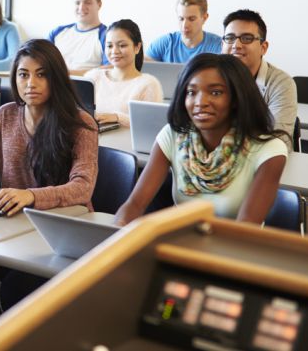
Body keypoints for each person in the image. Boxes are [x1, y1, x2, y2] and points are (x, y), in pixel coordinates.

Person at [0, 39, 98, 321]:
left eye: (41, 74)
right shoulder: (6, 115)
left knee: (16, 287)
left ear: (56, 78)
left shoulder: (80, 123)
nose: (31, 82)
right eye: (23, 74)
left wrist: (31, 195)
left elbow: (83, 187)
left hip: (61, 234)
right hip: (15, 228)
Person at [115, 54, 288, 226]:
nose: (200, 102)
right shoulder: (173, 135)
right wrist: (117, 234)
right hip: (181, 241)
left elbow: (246, 226)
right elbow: (135, 204)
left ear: (236, 98)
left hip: (235, 248)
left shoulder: (268, 149)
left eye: (215, 92)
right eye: (191, 92)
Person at [221, 9, 297, 152]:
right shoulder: (210, 77)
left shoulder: (281, 83)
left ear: (263, 47)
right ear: (222, 44)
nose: (236, 45)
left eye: (247, 38)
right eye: (230, 38)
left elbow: (279, 142)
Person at [85, 19, 163, 127]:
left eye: (122, 45)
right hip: (92, 138)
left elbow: (152, 125)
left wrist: (117, 117)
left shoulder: (148, 84)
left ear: (137, 47)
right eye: (109, 46)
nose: (114, 51)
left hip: (126, 143)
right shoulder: (93, 77)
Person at [48, 0, 109, 76]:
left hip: (85, 88)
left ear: (99, 5)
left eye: (87, 2)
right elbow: (41, 61)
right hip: (54, 87)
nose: (81, 7)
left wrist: (68, 74)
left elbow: (110, 69)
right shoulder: (57, 32)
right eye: (77, 3)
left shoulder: (107, 35)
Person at [147, 0, 222, 63]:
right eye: (181, 19)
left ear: (205, 18)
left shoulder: (219, 46)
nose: (185, 25)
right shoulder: (164, 44)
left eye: (191, 19)